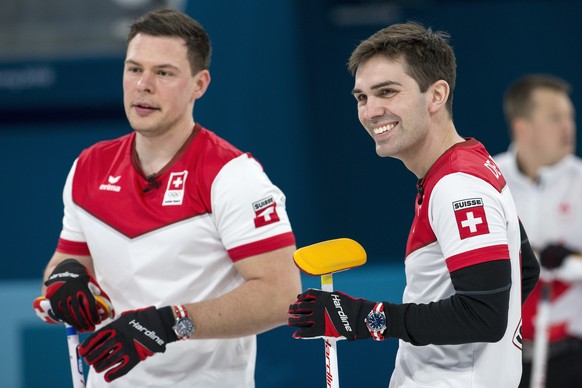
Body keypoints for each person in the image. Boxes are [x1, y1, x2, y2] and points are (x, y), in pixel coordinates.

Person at [32, 8, 301, 387]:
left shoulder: (233, 176)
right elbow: (66, 265)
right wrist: (63, 283)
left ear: (199, 84)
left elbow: (281, 296)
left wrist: (168, 323)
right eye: (133, 69)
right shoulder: (89, 166)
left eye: (164, 73)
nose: (143, 85)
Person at [287, 22, 540, 388]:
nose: (371, 111)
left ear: (436, 95)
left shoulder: (458, 186)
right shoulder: (468, 165)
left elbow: (484, 315)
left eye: (386, 92)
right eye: (361, 97)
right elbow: (525, 269)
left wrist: (360, 318)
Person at [494, 74, 582, 388]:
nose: (568, 126)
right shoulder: (487, 181)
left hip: (572, 356)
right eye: (555, 118)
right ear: (523, 128)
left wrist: (569, 261)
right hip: (502, 356)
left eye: (570, 116)